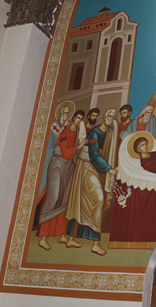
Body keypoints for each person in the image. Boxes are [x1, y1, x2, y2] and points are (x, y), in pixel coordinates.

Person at [65, 109, 119, 256]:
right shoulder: (96, 132)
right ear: (104, 116)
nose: (111, 118)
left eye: (113, 117)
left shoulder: (109, 132)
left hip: (93, 166)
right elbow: (94, 153)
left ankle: (84, 240)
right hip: (86, 165)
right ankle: (91, 243)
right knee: (97, 199)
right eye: (109, 116)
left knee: (82, 202)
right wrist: (108, 169)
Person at [37, 110, 87, 250]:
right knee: (54, 197)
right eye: (77, 118)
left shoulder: (77, 134)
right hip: (58, 165)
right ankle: (43, 237)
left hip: (69, 166)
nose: (78, 121)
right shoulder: (64, 132)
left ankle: (61, 233)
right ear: (73, 118)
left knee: (65, 198)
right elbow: (65, 153)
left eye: (81, 119)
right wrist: (79, 146)